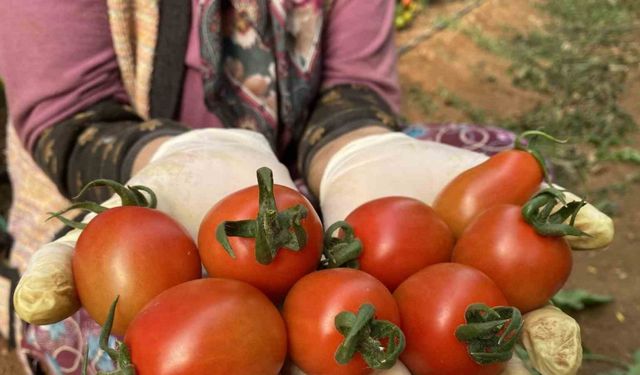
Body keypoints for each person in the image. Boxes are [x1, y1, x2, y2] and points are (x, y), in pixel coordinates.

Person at [0, 1, 611, 374]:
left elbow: (353, 90)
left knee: (489, 153)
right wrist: (179, 158)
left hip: (308, 204)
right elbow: (73, 116)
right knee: (85, 317)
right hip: (144, 185)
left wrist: (360, 151)